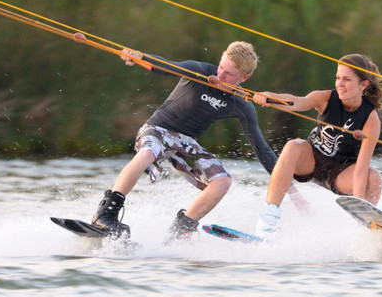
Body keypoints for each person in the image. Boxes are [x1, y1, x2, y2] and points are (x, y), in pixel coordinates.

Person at [90, 41, 278, 242]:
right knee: (147, 153)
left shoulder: (241, 104)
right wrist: (139, 57)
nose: (220, 75)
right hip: (157, 129)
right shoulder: (200, 71)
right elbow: (164, 65)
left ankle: (180, 230)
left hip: (185, 143)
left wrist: (287, 187)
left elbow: (262, 149)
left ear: (244, 77)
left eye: (229, 74)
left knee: (222, 181)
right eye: (221, 67)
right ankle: (106, 214)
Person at [252, 54, 382, 236]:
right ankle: (268, 221)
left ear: (363, 85)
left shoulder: (370, 119)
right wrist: (270, 97)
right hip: (312, 160)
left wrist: (360, 207)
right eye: (338, 78)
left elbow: (361, 168)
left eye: (347, 79)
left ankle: (363, 231)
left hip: (341, 173)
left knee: (374, 178)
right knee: (293, 146)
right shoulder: (324, 98)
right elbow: (295, 102)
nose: (339, 83)